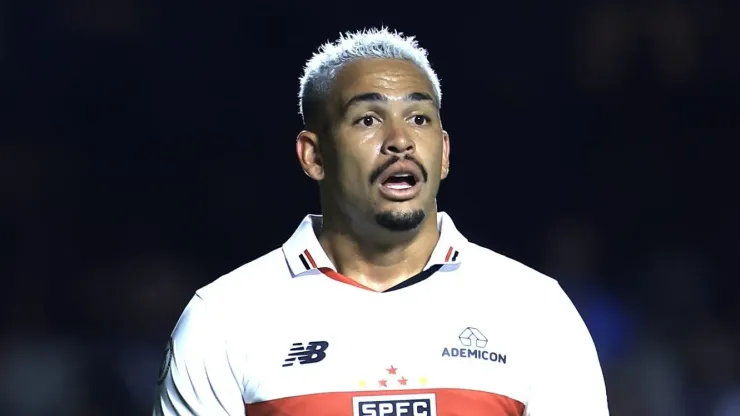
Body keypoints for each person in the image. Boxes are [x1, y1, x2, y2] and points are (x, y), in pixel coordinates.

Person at [153, 27, 609, 416]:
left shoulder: (535, 310)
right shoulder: (224, 320)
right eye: (368, 118)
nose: (400, 141)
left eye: (419, 118)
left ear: (445, 152)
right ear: (313, 155)